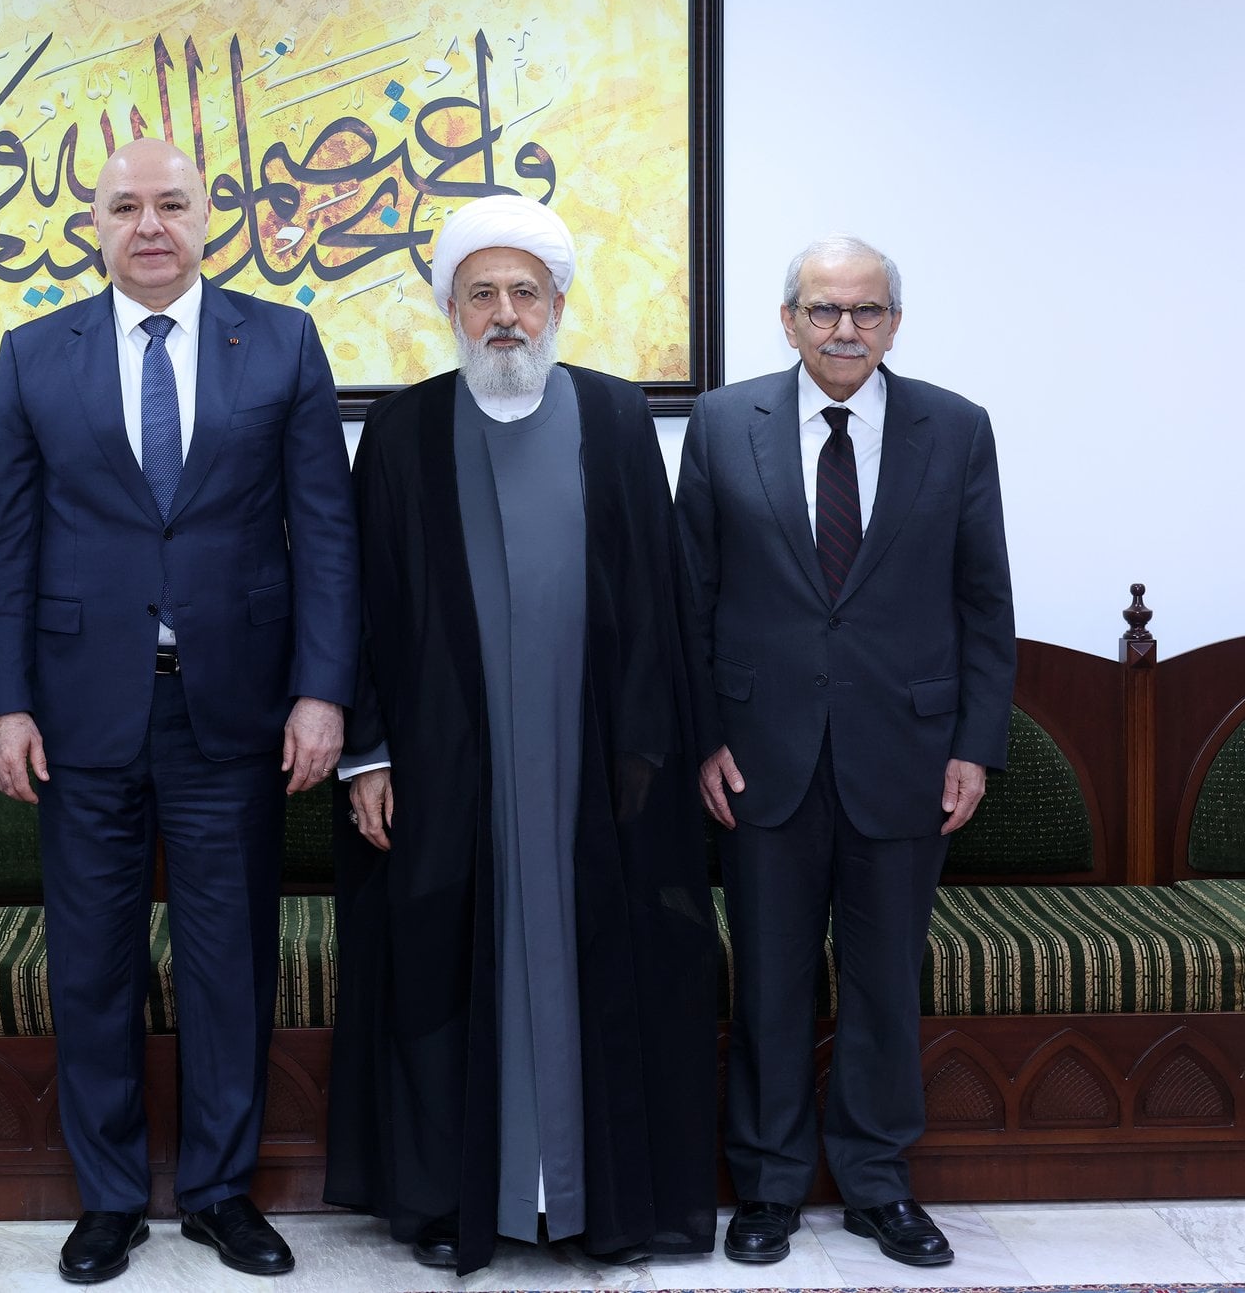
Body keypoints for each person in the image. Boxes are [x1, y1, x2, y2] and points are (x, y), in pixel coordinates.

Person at [0, 138, 359, 1283]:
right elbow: (3, 548)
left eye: (170, 203)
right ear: (93, 223)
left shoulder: (280, 340)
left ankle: (220, 1194)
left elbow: (323, 533)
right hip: (79, 716)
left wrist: (322, 691)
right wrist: (2, 704)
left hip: (233, 714)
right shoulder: (34, 353)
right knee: (89, 965)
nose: (148, 224)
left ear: (206, 215)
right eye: (125, 206)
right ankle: (107, 1199)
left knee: (227, 964)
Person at [325, 194, 718, 1275]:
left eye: (524, 293)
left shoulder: (616, 417)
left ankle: (600, 1200)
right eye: (482, 294)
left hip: (592, 765)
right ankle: (463, 1198)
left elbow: (659, 593)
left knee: (609, 960)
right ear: (449, 310)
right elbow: (359, 604)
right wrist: (368, 752)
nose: (505, 314)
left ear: (557, 305)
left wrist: (649, 749)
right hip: (446, 770)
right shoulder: (402, 431)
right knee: (445, 969)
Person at [674, 236, 1015, 1269]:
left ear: (893, 324)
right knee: (768, 981)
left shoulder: (954, 428)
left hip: (906, 756)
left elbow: (983, 601)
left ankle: (877, 1184)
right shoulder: (721, 423)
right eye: (823, 310)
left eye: (866, 311)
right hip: (757, 756)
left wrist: (974, 746)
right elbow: (689, 597)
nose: (844, 330)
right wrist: (702, 739)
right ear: (787, 320)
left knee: (881, 984)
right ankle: (768, 1185)